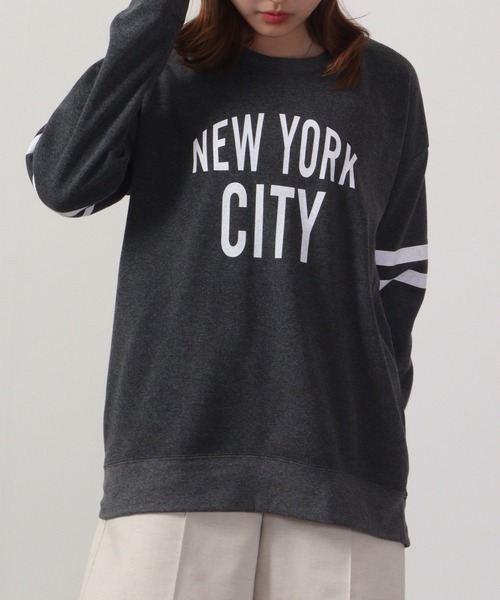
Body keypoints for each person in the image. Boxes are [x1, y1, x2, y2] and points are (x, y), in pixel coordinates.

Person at [25, 0, 429, 598]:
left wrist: (374, 429)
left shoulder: (387, 84)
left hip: (340, 466)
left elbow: (398, 275)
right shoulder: (164, 66)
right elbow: (62, 182)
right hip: (174, 453)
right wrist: (153, 20)